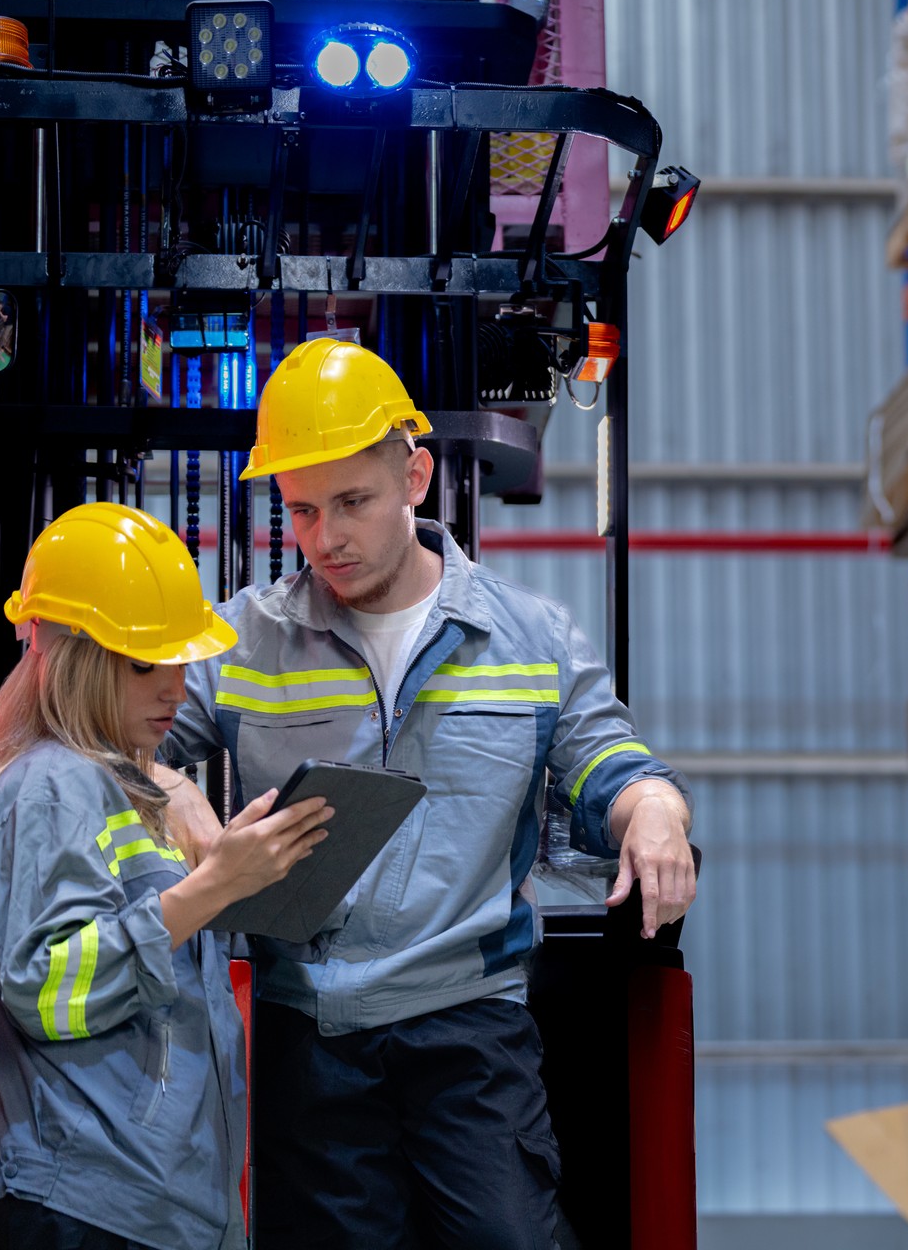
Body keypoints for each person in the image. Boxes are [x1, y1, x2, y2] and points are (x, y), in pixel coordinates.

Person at [162, 338, 697, 1248]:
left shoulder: (530, 639)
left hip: (470, 1034)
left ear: (415, 477)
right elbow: (119, 742)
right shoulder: (241, 643)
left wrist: (654, 811)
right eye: (300, 510)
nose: (325, 536)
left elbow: (612, 761)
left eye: (353, 502)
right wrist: (167, 786)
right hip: (307, 1035)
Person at [0, 501, 333, 1250]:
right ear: (72, 656)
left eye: (178, 658)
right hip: (93, 1198)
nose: (174, 685)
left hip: (153, 1198)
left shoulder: (120, 788)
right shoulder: (48, 786)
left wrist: (242, 873)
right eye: (143, 662)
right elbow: (46, 989)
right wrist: (212, 887)